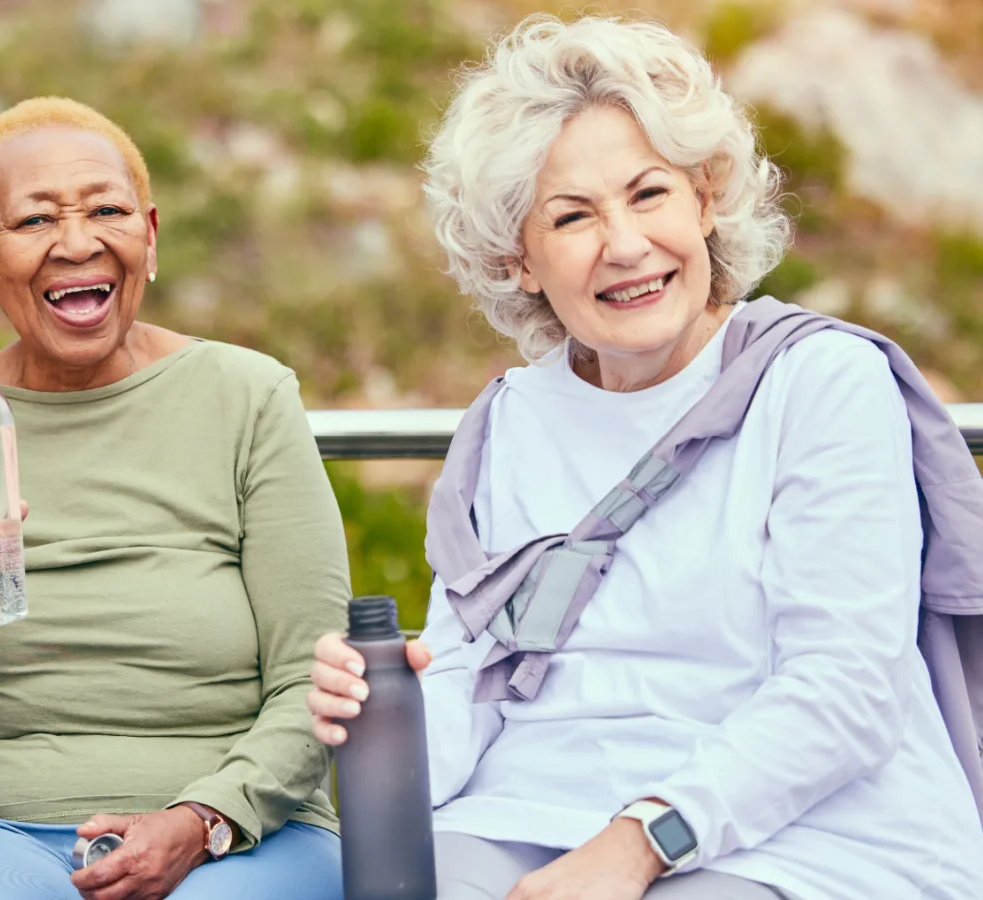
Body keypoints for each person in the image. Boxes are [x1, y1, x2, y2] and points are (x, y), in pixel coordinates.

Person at [306, 15, 983, 900]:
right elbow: (469, 683)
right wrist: (377, 717)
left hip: (809, 834)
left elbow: (843, 691)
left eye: (650, 194)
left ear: (705, 199)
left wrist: (637, 844)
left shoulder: (820, 382)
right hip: (531, 814)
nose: (625, 245)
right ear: (517, 259)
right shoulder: (507, 422)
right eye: (572, 216)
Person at [0, 97, 346, 900]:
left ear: (148, 236)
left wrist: (202, 819)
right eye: (35, 221)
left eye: (106, 211)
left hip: (237, 831)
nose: (77, 243)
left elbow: (313, 681)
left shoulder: (248, 398)